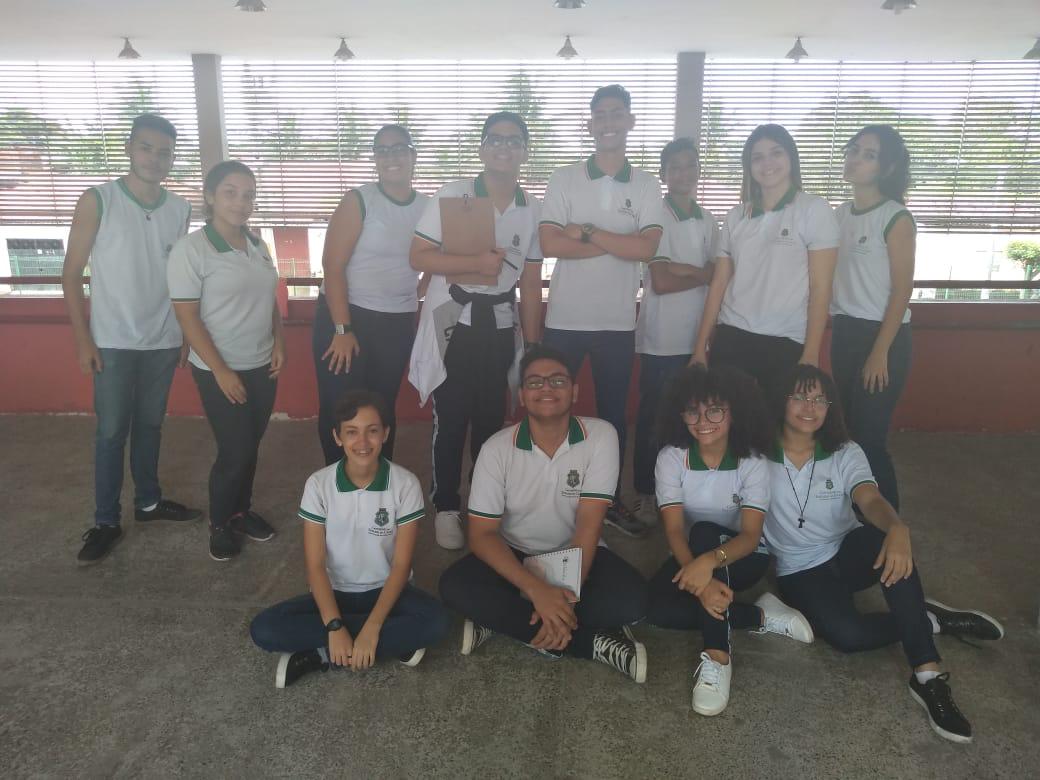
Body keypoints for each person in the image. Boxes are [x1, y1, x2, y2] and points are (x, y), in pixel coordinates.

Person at [764, 364, 1005, 744]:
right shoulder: (755, 453)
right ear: (781, 401)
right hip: (799, 569)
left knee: (887, 543)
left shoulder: (844, 450)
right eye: (799, 397)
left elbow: (870, 499)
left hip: (847, 549)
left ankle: (927, 675)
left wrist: (896, 526)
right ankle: (928, 618)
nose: (809, 407)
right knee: (848, 636)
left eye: (819, 400)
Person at [438, 346, 649, 683]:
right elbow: (482, 535)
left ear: (574, 391)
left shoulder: (601, 436)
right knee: (453, 587)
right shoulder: (496, 448)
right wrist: (537, 591)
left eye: (557, 381)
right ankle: (590, 643)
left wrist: (562, 600)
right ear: (522, 395)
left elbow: (589, 525)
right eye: (535, 382)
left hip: (576, 554)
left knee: (634, 602)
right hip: (515, 555)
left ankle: (502, 620)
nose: (546, 388)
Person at [63, 113, 201, 565]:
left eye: (165, 152)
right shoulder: (98, 200)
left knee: (151, 424)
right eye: (146, 148)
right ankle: (106, 520)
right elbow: (71, 274)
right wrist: (84, 340)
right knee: (110, 431)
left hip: (163, 338)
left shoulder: (179, 209)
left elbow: (180, 277)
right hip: (112, 340)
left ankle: (149, 502)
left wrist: (184, 332)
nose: (155, 158)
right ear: (128, 148)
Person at [408, 111, 544, 550]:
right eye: (495, 139)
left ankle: (485, 505)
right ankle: (447, 506)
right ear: (482, 148)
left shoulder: (531, 209)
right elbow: (419, 256)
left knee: (491, 421)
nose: (504, 147)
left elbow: (529, 282)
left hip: (500, 325)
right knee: (450, 419)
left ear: (525, 151)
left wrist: (533, 345)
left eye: (514, 140)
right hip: (454, 320)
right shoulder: (454, 195)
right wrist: (474, 264)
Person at [249, 391, 449, 688]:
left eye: (372, 431)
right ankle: (386, 643)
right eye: (352, 432)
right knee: (265, 629)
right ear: (337, 437)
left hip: (387, 592)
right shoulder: (319, 484)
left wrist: (373, 626)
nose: (363, 442)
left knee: (438, 622)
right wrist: (334, 625)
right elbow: (316, 565)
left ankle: (323, 654)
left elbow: (401, 565)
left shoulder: (404, 484)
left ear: (386, 433)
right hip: (335, 593)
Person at [647, 365, 813, 715]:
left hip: (745, 558)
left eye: (715, 410)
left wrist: (707, 564)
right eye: (692, 411)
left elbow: (751, 536)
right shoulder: (671, 458)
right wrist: (702, 583)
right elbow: (673, 530)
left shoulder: (751, 462)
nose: (702, 421)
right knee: (657, 609)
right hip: (693, 554)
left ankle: (717, 656)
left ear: (734, 412)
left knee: (704, 532)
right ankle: (760, 616)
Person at [539, 84, 665, 538]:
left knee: (612, 421)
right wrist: (619, 243)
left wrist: (588, 232)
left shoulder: (646, 184)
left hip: (616, 324)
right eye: (601, 114)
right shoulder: (564, 178)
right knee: (550, 407)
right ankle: (546, 495)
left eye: (617, 113)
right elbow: (550, 243)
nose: (608, 121)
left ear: (630, 121)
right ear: (590, 124)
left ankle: (608, 500)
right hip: (564, 321)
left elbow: (647, 249)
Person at [168, 161, 285, 562]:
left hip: (262, 364)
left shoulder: (258, 245)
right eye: (230, 192)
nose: (241, 202)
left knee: (250, 446)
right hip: (220, 368)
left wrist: (280, 342)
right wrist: (220, 370)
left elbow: (269, 300)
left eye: (248, 194)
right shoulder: (192, 250)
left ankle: (241, 512)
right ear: (210, 197)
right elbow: (187, 316)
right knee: (234, 451)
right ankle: (220, 522)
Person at [691, 124, 839, 398]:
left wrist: (810, 353)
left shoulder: (813, 209)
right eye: (757, 157)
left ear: (791, 157)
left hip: (786, 340)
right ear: (749, 166)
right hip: (732, 334)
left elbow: (821, 288)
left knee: (774, 421)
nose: (767, 163)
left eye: (776, 153)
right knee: (728, 419)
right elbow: (719, 283)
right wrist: (700, 347)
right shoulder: (736, 215)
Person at [313, 124, 428, 465]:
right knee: (341, 408)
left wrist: (414, 292)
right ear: (375, 158)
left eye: (399, 148)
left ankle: (378, 482)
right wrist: (343, 329)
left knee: (381, 407)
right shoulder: (359, 200)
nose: (391, 156)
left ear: (413, 155)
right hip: (346, 317)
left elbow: (436, 257)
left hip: (396, 322)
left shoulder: (428, 207)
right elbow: (333, 266)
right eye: (382, 150)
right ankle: (339, 484)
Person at [631, 138, 719, 527]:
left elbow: (721, 276)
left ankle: (682, 492)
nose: (684, 173)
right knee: (655, 418)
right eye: (675, 167)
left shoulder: (708, 220)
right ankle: (646, 494)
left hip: (697, 338)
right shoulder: (656, 217)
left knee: (694, 418)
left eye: (690, 165)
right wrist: (701, 274)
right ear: (664, 173)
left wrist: (689, 271)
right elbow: (663, 281)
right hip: (661, 339)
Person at [831, 125, 916, 510]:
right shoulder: (839, 215)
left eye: (869, 155)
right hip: (845, 332)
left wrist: (880, 352)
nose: (855, 159)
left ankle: (892, 529)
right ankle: (856, 519)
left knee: (869, 439)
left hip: (884, 338)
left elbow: (901, 290)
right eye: (853, 150)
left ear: (887, 167)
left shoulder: (895, 217)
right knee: (847, 434)